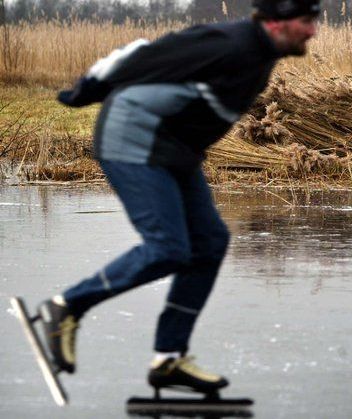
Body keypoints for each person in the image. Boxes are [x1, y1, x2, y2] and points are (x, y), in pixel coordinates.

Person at [40, 0, 320, 395]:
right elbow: (143, 51)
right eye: (306, 21)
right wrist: (87, 89)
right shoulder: (230, 42)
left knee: (208, 243)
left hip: (175, 149)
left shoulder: (261, 53)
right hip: (133, 138)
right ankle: (67, 306)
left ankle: (168, 358)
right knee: (168, 248)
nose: (313, 31)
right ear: (276, 22)